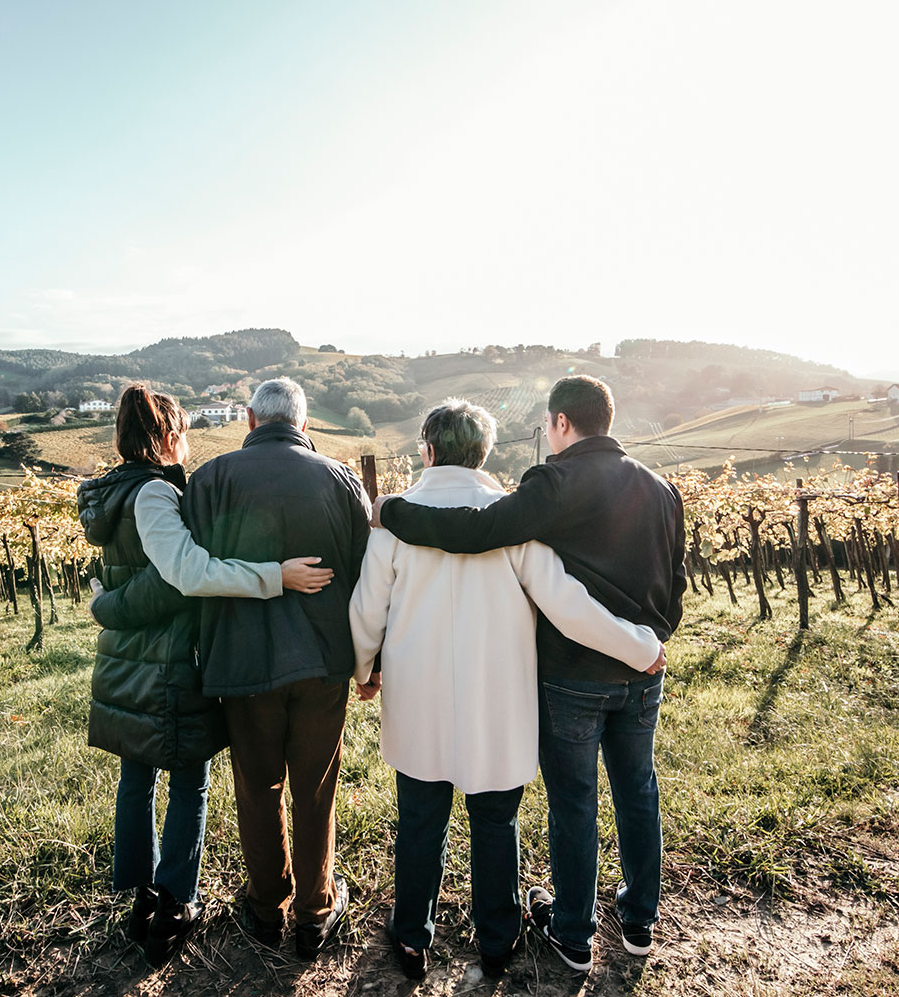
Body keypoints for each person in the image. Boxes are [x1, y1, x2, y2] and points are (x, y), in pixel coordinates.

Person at [375, 375, 685, 971]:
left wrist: (392, 512)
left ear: (562, 423)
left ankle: (572, 934)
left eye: (547, 425)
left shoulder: (554, 482)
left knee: (573, 801)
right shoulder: (661, 487)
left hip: (574, 675)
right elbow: (675, 582)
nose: (547, 435)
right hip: (644, 667)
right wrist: (650, 642)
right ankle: (637, 923)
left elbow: (478, 531)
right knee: (638, 791)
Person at [77, 384, 334, 967]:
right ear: (167, 436)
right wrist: (275, 575)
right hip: (168, 662)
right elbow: (184, 573)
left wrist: (107, 605)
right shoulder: (154, 493)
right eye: (184, 432)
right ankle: (174, 901)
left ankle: (141, 897)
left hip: (128, 660)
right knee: (187, 780)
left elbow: (128, 579)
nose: (189, 443)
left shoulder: (111, 496)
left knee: (137, 776)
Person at [169, 377, 370, 960]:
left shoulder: (208, 480)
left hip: (241, 661)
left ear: (251, 420)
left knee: (257, 787)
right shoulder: (340, 480)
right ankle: (315, 911)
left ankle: (265, 910)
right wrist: (368, 661)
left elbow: (197, 570)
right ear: (304, 425)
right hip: (324, 661)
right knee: (316, 788)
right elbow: (363, 576)